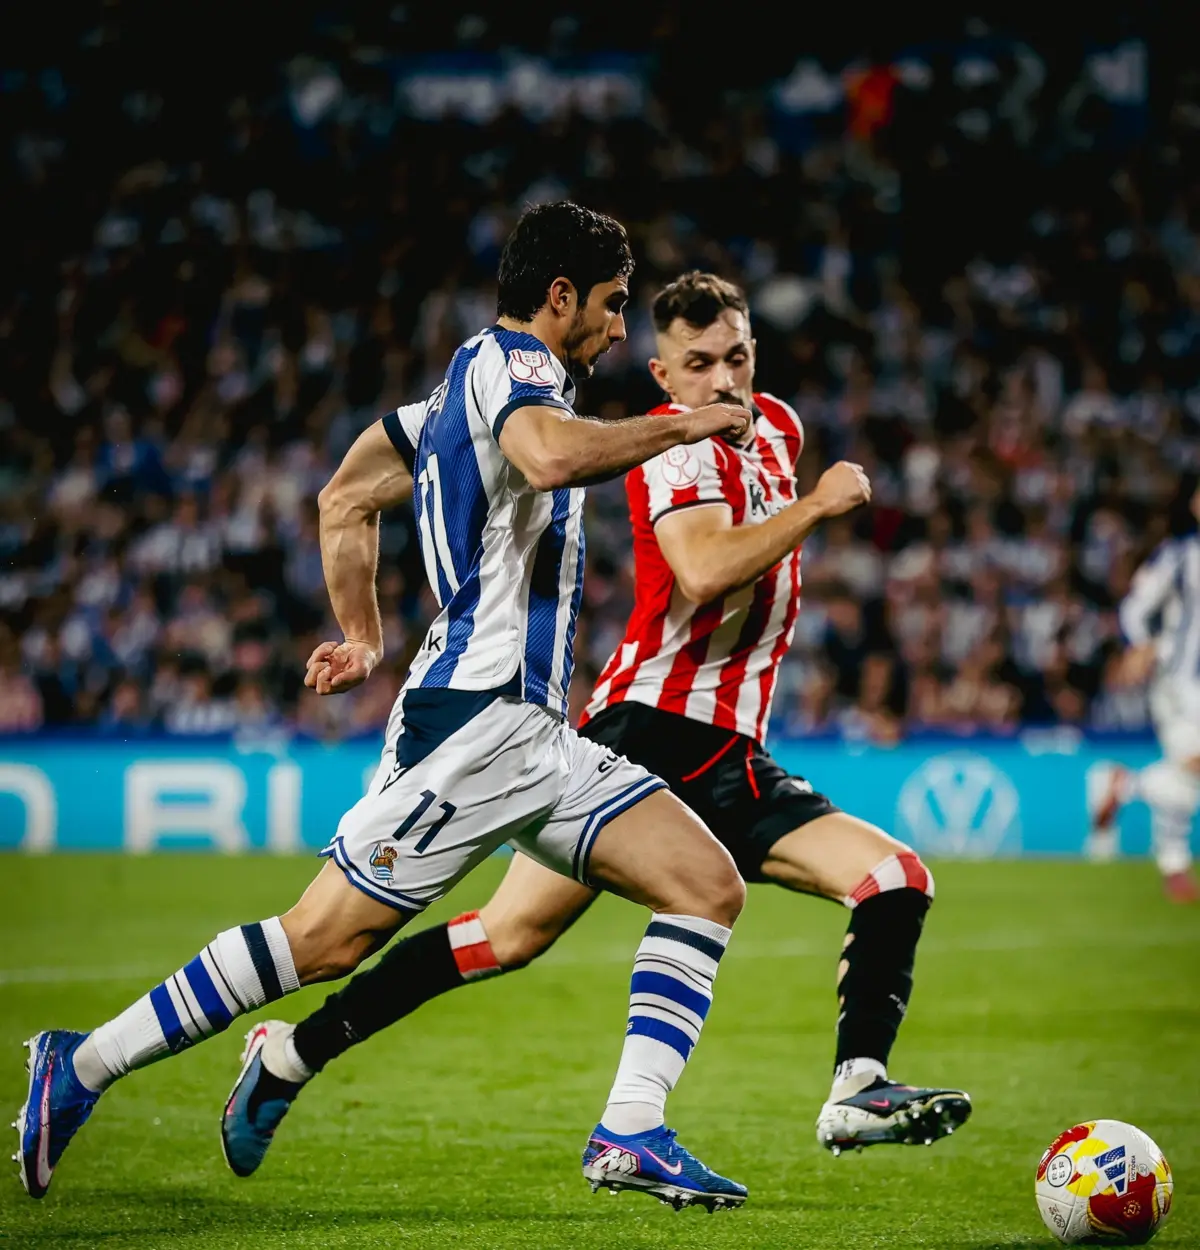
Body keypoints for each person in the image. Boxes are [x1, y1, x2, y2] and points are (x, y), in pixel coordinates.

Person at [16, 204, 756, 1212]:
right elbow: (546, 458)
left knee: (706, 881)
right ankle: (83, 1062)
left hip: (534, 731)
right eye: (615, 304)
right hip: (475, 726)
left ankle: (630, 1128)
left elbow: (347, 492)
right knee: (323, 940)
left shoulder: (460, 387)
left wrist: (362, 633)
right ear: (560, 296)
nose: (621, 328)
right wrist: (683, 422)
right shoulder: (517, 370)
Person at [230, 271, 972, 1170]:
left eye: (737, 357)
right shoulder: (672, 450)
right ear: (663, 377)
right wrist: (816, 506)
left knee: (891, 879)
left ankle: (858, 1086)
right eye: (697, 365)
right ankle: (301, 1057)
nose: (722, 382)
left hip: (731, 747)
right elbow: (700, 572)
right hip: (647, 729)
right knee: (508, 938)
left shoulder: (777, 428)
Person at [1087, 476, 1200, 903]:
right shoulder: (1180, 556)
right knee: (1193, 763)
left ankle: (1126, 787)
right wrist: (1142, 647)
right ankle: (1173, 865)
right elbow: (1136, 605)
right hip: (1180, 679)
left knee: (1188, 777)